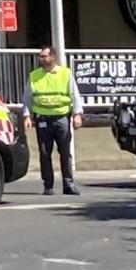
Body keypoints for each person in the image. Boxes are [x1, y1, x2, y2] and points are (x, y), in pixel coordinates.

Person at [23, 46, 84, 196]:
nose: (41, 59)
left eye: (44, 56)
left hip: (61, 118)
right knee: (44, 153)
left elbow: (74, 95)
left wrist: (77, 114)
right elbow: (27, 98)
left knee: (65, 152)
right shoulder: (34, 75)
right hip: (42, 119)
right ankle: (48, 186)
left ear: (53, 57)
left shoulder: (65, 74)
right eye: (40, 57)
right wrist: (27, 116)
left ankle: (68, 184)